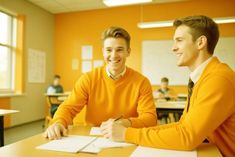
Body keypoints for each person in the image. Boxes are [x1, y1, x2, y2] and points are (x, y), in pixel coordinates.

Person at [101, 15, 235, 156]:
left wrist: (126, 134)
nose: (173, 48)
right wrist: (130, 131)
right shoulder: (203, 77)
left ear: (200, 42)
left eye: (179, 41)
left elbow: (186, 136)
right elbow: (182, 126)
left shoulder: (218, 79)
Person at [43, 26, 157, 140]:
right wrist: (58, 122)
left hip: (125, 137)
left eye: (119, 49)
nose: (113, 55)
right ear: (103, 52)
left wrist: (125, 123)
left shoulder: (142, 82)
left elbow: (150, 119)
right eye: (109, 50)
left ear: (128, 52)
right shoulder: (88, 79)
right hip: (92, 139)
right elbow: (68, 108)